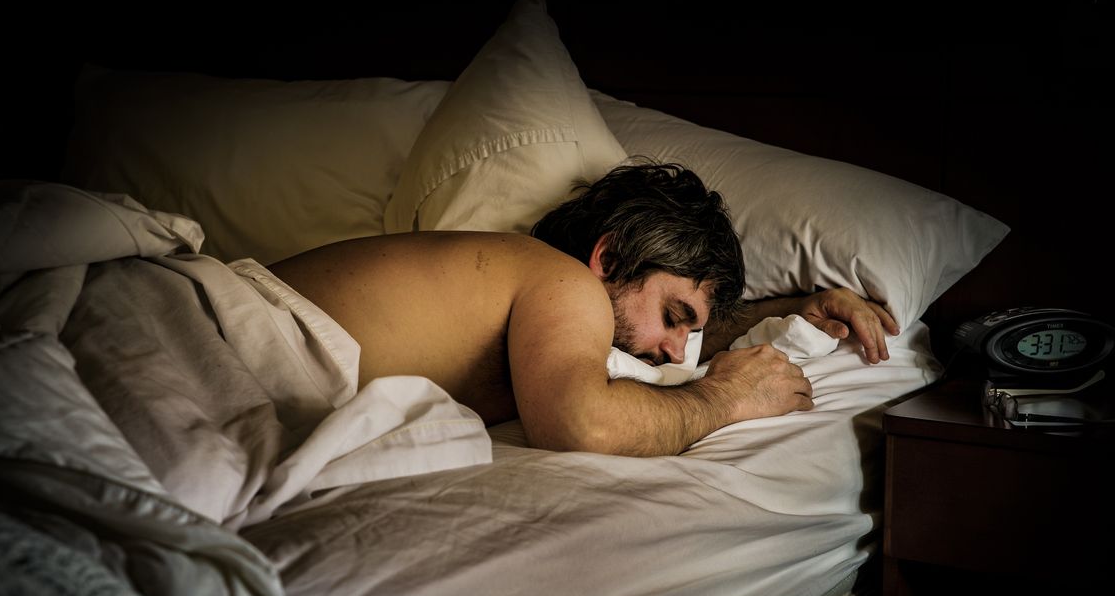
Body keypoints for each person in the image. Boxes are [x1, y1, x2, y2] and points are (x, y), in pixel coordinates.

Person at [267, 161, 899, 457]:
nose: (678, 353)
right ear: (608, 259)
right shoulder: (560, 280)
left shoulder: (544, 296)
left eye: (691, 333)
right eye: (677, 317)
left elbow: (646, 335)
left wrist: (802, 304)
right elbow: (580, 425)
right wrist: (724, 400)